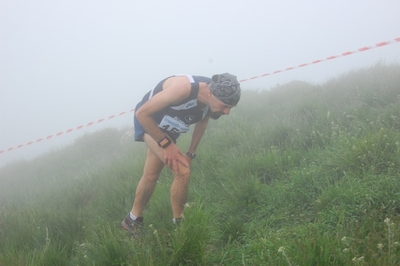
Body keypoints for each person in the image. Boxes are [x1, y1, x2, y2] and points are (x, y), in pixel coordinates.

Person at [121, 73, 241, 236]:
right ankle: (180, 225)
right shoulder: (183, 89)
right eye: (225, 106)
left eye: (231, 108)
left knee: (151, 175)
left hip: (170, 127)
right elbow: (142, 114)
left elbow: (202, 123)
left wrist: (190, 153)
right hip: (150, 123)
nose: (227, 112)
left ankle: (132, 220)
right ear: (211, 94)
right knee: (182, 172)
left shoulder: (211, 99)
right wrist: (166, 145)